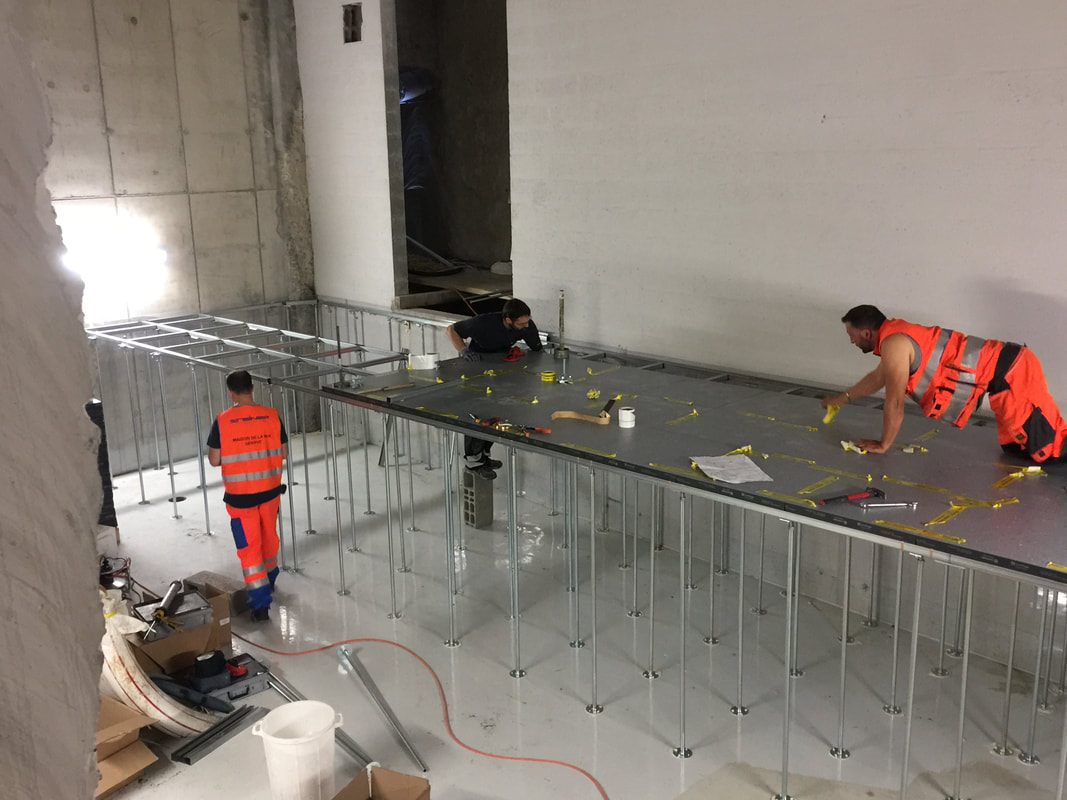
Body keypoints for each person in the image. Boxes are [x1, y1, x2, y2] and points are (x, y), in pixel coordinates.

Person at [821, 304, 1067, 462]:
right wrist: (840, 400)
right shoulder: (895, 337)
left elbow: (894, 403)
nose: (851, 341)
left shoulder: (894, 344)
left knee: (1050, 449)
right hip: (1003, 376)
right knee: (1015, 450)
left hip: (1013, 371)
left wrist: (884, 444)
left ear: (866, 333)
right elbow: (877, 379)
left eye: (851, 335)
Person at [207, 370, 289, 621]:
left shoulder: (223, 421)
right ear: (252, 388)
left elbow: (214, 459)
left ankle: (260, 605)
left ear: (230, 392)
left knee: (249, 550)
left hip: (241, 498)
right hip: (270, 492)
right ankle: (270, 579)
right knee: (269, 538)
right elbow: (284, 452)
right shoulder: (272, 416)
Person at [446, 298, 543, 479]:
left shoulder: (526, 326)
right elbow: (451, 330)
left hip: (500, 372)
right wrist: (464, 350)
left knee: (497, 415)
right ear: (508, 320)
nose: (526, 326)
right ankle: (473, 462)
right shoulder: (483, 323)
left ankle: (484, 456)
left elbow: (537, 350)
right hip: (476, 370)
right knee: (479, 414)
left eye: (527, 322)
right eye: (521, 323)